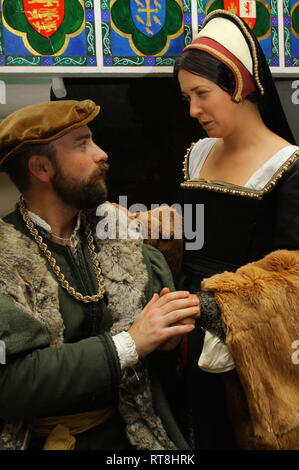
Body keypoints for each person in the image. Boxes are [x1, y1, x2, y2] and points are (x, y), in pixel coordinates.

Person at [0, 99, 200, 450]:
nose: (101, 153)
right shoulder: (4, 260)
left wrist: (169, 342)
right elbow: (11, 384)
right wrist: (130, 343)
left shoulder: (124, 242)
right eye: (82, 144)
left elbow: (163, 364)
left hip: (131, 438)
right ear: (41, 167)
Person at [170, 9, 299, 450]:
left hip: (252, 346)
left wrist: (214, 309)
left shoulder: (288, 167)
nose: (193, 110)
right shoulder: (198, 154)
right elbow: (192, 236)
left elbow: (292, 281)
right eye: (187, 96)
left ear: (240, 83)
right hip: (184, 332)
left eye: (202, 93)